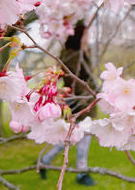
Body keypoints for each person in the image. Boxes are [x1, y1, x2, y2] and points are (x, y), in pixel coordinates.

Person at [38, 21, 97, 186]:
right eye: (86, 34)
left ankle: (45, 161)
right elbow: (73, 79)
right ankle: (81, 172)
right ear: (79, 36)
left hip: (85, 98)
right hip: (80, 99)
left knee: (72, 135)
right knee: (82, 136)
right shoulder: (72, 54)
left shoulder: (81, 53)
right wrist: (86, 96)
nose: (89, 38)